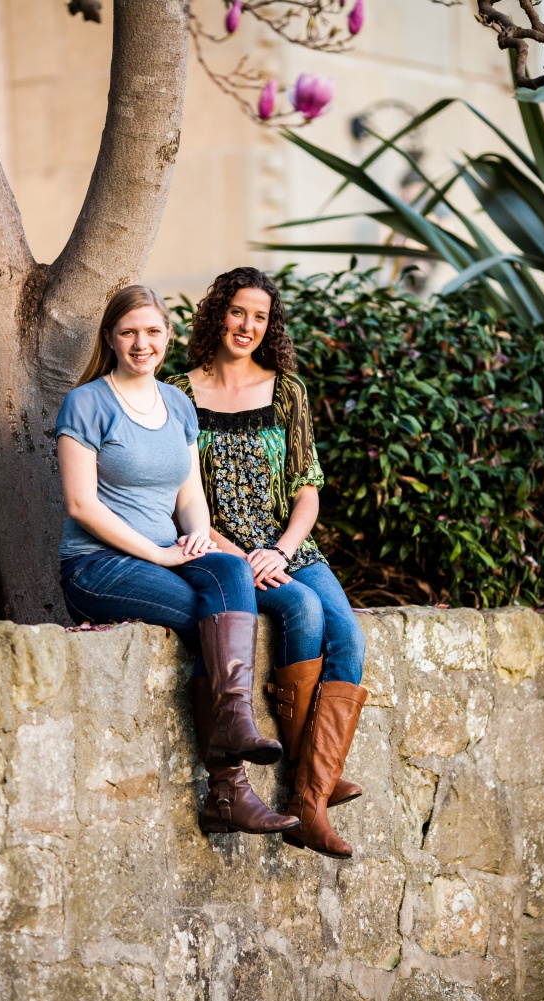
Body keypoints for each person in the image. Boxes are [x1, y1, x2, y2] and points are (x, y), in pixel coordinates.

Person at [55, 284, 299, 838]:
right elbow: (80, 505)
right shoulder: (87, 402)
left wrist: (192, 537)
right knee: (206, 619)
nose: (142, 344)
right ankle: (228, 787)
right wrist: (162, 554)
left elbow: (191, 496)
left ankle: (233, 729)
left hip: (167, 554)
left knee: (231, 570)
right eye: (129, 333)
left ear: (167, 335)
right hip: (98, 566)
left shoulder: (178, 404)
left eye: (153, 332)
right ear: (112, 340)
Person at [166, 267, 368, 860]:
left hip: (287, 546)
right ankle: (315, 787)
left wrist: (278, 549)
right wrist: (240, 556)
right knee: (301, 610)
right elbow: (177, 494)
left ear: (269, 325)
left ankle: (309, 796)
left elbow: (307, 488)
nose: (247, 326)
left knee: (349, 637)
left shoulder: (287, 391)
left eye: (260, 317)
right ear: (216, 315)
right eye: (237, 313)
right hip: (220, 551)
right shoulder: (179, 393)